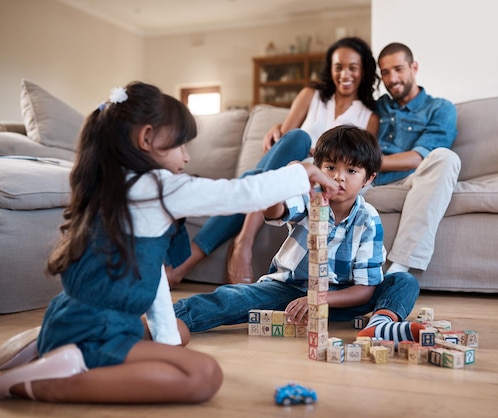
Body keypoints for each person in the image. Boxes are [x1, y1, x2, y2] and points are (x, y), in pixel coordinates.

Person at [0, 82, 338, 403]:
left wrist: (167, 340)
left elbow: (151, 275)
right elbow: (238, 195)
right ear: (147, 139)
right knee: (203, 376)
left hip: (77, 316)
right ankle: (44, 383)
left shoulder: (113, 187)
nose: (186, 157)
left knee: (178, 333)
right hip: (100, 330)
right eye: (180, 145)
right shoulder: (156, 187)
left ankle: (53, 343)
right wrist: (301, 173)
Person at [174, 125, 426, 348]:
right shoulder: (309, 197)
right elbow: (275, 210)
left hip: (341, 301)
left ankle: (381, 324)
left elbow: (364, 289)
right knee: (233, 297)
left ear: (369, 178)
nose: (338, 177)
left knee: (403, 281)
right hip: (289, 291)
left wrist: (318, 299)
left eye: (351, 170)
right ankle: (166, 319)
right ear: (319, 169)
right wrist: (286, 180)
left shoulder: (368, 219)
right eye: (330, 168)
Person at [167, 36, 380, 287]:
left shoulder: (370, 114)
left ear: (364, 70)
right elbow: (286, 140)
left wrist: (321, 156)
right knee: (298, 137)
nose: (345, 74)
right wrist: (289, 140)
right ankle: (242, 241)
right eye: (338, 67)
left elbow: (361, 157)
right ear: (330, 69)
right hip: (289, 167)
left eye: (352, 67)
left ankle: (225, 248)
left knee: (250, 179)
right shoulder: (311, 95)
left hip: (318, 175)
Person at [368, 42, 460, 274]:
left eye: (398, 69)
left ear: (414, 67)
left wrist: (369, 161)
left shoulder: (440, 108)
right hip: (366, 178)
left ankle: (399, 268)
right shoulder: (376, 108)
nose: (392, 78)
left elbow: (419, 158)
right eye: (385, 72)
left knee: (446, 158)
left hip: (414, 179)